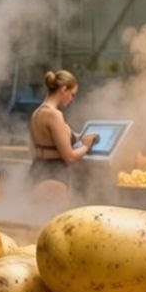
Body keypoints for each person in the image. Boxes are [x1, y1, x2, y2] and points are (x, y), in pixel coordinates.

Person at [28, 70, 97, 204]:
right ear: (63, 89)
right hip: (52, 175)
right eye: (72, 95)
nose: (71, 100)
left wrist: (79, 138)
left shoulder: (37, 113)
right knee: (54, 221)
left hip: (38, 170)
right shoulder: (54, 115)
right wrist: (86, 146)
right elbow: (69, 156)